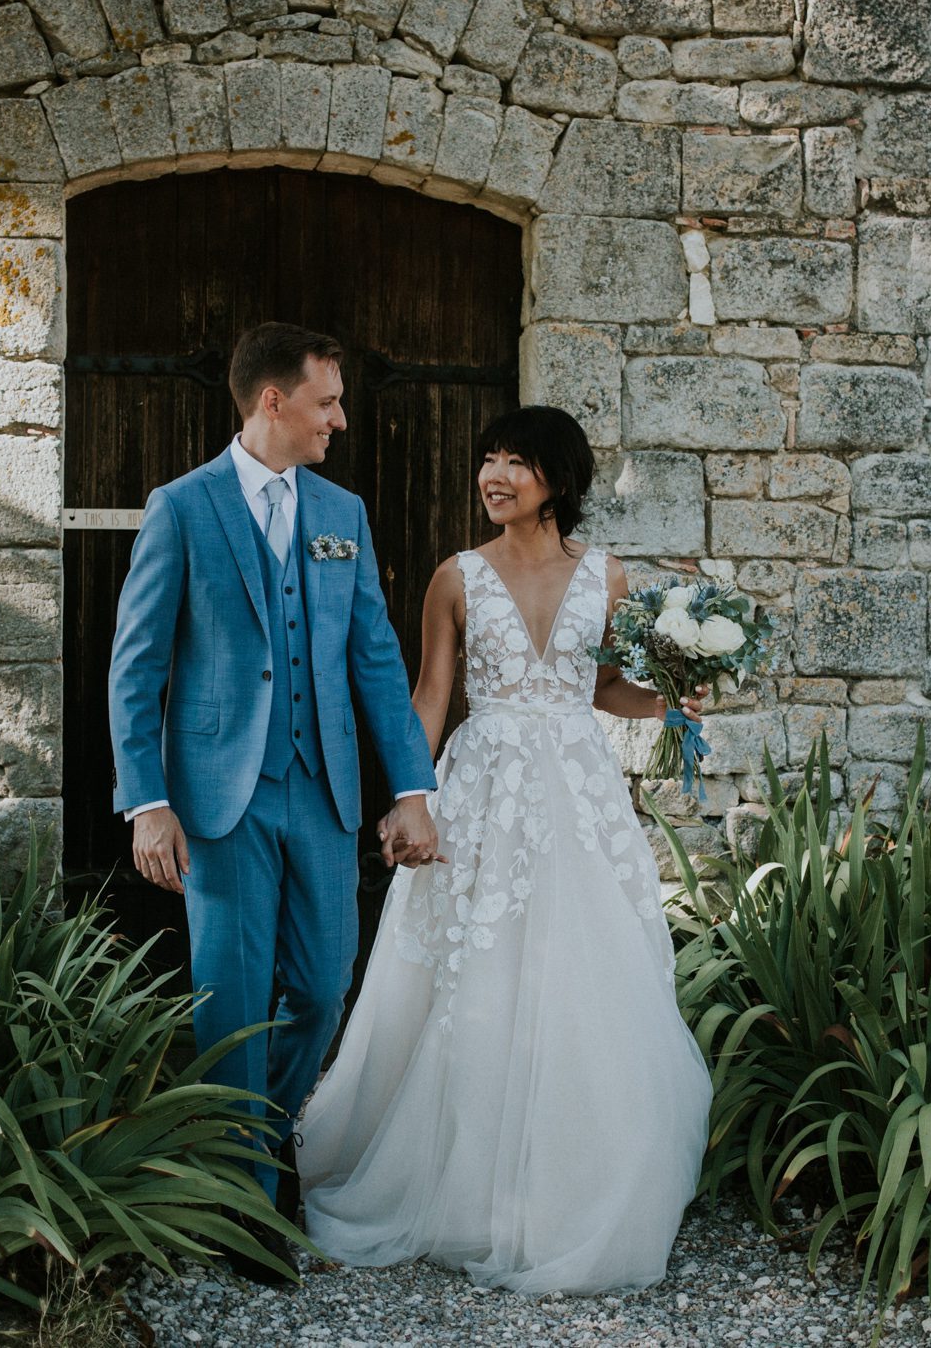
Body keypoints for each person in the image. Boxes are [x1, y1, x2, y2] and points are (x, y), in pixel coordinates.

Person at [297, 405, 715, 1294]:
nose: (494, 474)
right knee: (468, 973)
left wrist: (675, 701)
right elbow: (429, 696)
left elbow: (606, 687)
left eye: (515, 461)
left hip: (577, 790)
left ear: (556, 481)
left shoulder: (609, 577)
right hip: (481, 788)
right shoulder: (455, 577)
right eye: (488, 458)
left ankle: (567, 1188)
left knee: (583, 974)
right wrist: (412, 801)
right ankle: (460, 1188)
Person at [106, 322, 442, 1278]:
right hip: (220, 799)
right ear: (272, 402)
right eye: (327, 401)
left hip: (325, 791)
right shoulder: (182, 507)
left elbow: (376, 658)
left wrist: (411, 786)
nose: (339, 418)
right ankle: (247, 1204)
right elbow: (137, 671)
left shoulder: (343, 510)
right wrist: (147, 801)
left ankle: (253, 1137)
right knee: (231, 1000)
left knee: (323, 983)